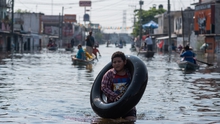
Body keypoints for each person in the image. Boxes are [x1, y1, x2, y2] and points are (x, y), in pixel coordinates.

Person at [101, 51, 136, 121]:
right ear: (112, 64)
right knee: (113, 121)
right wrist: (115, 96)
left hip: (128, 105)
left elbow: (136, 85)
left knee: (131, 120)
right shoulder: (109, 74)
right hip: (113, 105)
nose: (117, 64)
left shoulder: (130, 73)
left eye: (119, 61)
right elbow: (104, 87)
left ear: (125, 62)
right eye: (114, 62)